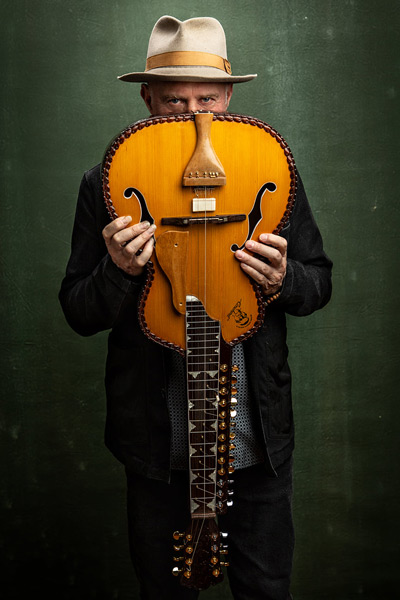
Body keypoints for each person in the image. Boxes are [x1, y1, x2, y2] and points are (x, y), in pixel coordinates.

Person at [59, 15, 332, 600]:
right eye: (174, 102)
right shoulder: (105, 182)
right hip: (159, 450)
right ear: (147, 100)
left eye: (206, 99)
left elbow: (318, 284)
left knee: (266, 590)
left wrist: (283, 279)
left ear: (228, 98)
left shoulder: (270, 172)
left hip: (255, 445)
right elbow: (78, 311)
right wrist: (117, 271)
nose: (193, 116)